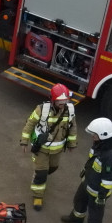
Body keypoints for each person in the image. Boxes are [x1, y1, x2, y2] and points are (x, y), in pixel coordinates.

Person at [19, 83, 78, 211]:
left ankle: (41, 175)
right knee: (41, 173)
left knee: (53, 168)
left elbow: (72, 127)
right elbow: (30, 124)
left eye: (65, 101)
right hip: (41, 148)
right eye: (60, 102)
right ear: (53, 100)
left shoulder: (70, 110)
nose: (63, 105)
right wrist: (24, 141)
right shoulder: (41, 109)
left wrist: (72, 144)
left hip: (57, 149)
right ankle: (38, 196)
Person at [61, 117, 112, 223]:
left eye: (94, 134)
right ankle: (77, 217)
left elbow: (109, 178)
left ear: (103, 135)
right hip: (88, 181)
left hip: (98, 191)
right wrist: (85, 171)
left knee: (95, 211)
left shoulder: (110, 155)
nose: (92, 136)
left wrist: (102, 195)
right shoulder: (99, 145)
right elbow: (92, 161)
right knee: (79, 199)